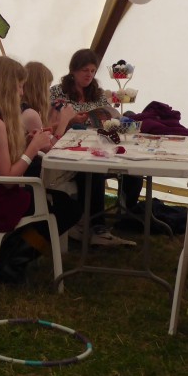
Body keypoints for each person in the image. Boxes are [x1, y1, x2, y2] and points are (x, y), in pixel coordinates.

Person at [0, 56, 67, 283]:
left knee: (59, 202)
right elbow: (8, 180)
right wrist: (32, 149)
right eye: (19, 86)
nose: (22, 93)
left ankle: (13, 252)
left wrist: (25, 142)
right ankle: (12, 260)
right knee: (67, 206)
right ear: (6, 87)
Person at [50, 48, 136, 247]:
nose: (89, 75)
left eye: (92, 70)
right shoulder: (58, 90)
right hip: (68, 147)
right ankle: (97, 227)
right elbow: (54, 119)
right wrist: (72, 120)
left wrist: (104, 116)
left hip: (96, 142)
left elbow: (107, 116)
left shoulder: (96, 93)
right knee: (93, 169)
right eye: (84, 70)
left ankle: (128, 215)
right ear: (73, 70)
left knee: (130, 165)